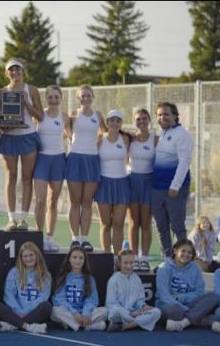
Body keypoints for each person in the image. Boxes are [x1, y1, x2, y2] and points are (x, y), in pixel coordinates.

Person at [0, 59, 44, 232]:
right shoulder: (1, 92)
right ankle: (11, 219)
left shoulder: (32, 90)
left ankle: (23, 219)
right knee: (11, 177)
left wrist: (26, 103)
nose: (14, 72)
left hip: (28, 137)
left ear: (23, 71)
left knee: (26, 178)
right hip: (9, 139)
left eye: (17, 69)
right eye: (11, 69)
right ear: (6, 73)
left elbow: (40, 116)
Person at [151, 101, 193, 259]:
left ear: (175, 116)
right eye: (159, 115)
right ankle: (168, 259)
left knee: (177, 226)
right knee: (161, 227)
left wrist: (175, 186)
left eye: (166, 114)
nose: (162, 118)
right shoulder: (161, 135)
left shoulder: (182, 134)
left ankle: (183, 260)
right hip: (157, 189)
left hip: (174, 190)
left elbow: (184, 162)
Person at [65, 85, 106, 246]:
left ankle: (85, 238)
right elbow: (67, 132)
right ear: (78, 98)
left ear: (92, 97)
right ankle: (75, 238)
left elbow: (105, 132)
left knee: (87, 202)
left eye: (88, 95)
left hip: (92, 160)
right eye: (83, 96)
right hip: (75, 159)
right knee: (75, 202)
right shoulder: (73, 114)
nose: (86, 98)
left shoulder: (98, 115)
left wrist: (97, 143)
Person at [32, 85, 70, 252]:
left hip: (58, 160)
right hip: (41, 159)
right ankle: (38, 235)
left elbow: (72, 135)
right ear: (46, 98)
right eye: (50, 97)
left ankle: (50, 238)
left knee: (53, 201)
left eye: (56, 97)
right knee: (40, 200)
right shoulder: (39, 115)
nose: (53, 100)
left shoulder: (65, 117)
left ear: (61, 98)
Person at [155, 238, 220, 331]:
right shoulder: (164, 268)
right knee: (171, 310)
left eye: (189, 252)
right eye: (183, 251)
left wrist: (179, 298)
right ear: (175, 251)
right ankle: (201, 319)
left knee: (214, 296)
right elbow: (164, 296)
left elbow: (199, 292)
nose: (186, 254)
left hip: (188, 305)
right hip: (169, 306)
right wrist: (186, 309)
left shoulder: (195, 268)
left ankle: (184, 323)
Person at [0, 241, 52, 334]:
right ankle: (28, 327)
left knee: (47, 306)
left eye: (31, 255)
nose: (28, 259)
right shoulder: (14, 272)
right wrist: (17, 310)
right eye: (25, 256)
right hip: (16, 311)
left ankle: (13, 325)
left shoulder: (45, 275)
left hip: (33, 312)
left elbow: (43, 297)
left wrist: (26, 311)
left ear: (37, 255)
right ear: (21, 258)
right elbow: (9, 295)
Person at [95, 111, 132, 254]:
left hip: (121, 184)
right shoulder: (99, 138)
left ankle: (117, 257)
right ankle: (105, 256)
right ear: (107, 122)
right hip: (103, 184)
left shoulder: (126, 139)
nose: (114, 123)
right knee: (105, 223)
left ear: (121, 123)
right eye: (111, 120)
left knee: (118, 224)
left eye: (118, 120)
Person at [125, 107, 156, 271]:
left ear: (149, 120)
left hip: (149, 182)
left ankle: (144, 257)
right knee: (133, 222)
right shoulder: (129, 139)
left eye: (144, 118)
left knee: (146, 222)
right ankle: (134, 258)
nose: (141, 121)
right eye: (138, 119)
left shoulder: (155, 139)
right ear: (134, 121)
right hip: (132, 181)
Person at [50, 244, 108, 331]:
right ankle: (87, 326)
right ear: (69, 259)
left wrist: (86, 313)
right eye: (74, 257)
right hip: (70, 312)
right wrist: (74, 313)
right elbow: (59, 299)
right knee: (54, 311)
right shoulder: (63, 277)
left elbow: (92, 300)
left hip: (85, 313)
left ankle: (74, 324)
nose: (77, 261)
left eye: (81, 258)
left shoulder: (89, 279)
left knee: (105, 311)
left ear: (84, 260)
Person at [105, 248, 161, 332]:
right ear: (119, 263)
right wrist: (130, 313)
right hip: (122, 313)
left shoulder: (136, 279)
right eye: (125, 263)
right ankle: (140, 322)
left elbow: (139, 300)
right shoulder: (113, 280)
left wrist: (143, 306)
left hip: (135, 313)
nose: (129, 266)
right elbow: (111, 304)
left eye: (131, 262)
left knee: (156, 312)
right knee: (115, 311)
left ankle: (126, 326)